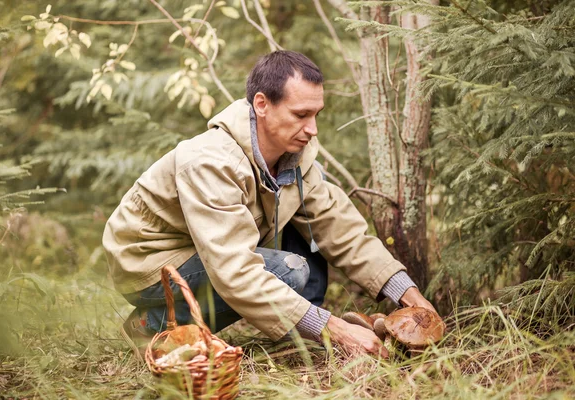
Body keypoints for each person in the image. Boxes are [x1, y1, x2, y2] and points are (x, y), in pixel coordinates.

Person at [102, 50, 439, 361]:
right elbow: (236, 272)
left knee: (303, 225)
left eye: (316, 114)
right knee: (289, 271)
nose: (312, 129)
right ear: (261, 104)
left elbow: (338, 228)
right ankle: (153, 325)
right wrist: (336, 329)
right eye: (301, 115)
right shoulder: (210, 162)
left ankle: (304, 332)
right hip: (147, 262)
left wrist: (409, 295)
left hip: (204, 249)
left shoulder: (295, 159)